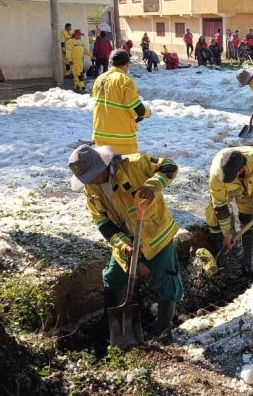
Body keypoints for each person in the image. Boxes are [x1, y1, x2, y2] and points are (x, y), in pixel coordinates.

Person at [68, 144, 183, 345]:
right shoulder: (91, 189)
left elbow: (170, 166)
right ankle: (112, 320)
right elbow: (102, 221)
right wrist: (123, 245)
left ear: (102, 166)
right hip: (125, 239)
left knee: (166, 281)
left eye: (92, 176)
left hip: (156, 235)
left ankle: (164, 331)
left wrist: (152, 185)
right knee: (113, 276)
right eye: (86, 180)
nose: (91, 182)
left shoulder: (133, 164)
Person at [205, 147, 253, 274]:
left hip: (247, 187)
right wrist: (227, 233)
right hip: (226, 190)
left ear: (242, 168)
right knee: (214, 219)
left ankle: (246, 260)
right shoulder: (216, 175)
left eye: (232, 176)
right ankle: (221, 260)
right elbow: (220, 206)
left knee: (249, 217)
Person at [91, 49, 151, 154]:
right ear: (127, 64)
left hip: (100, 136)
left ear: (110, 63)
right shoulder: (125, 81)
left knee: (106, 167)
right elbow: (139, 110)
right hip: (121, 139)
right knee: (126, 168)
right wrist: (148, 111)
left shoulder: (99, 80)